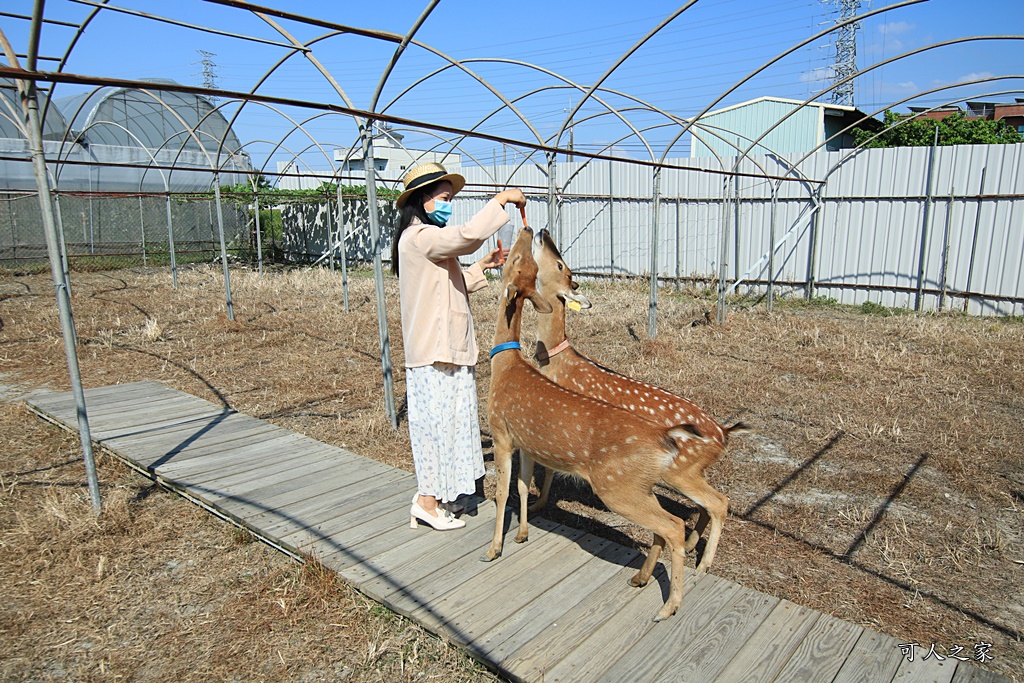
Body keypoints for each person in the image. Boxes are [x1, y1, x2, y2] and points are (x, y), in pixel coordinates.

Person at [392, 162, 526, 531]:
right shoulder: (419, 237)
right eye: (445, 197)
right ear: (423, 199)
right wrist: (500, 200)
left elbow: (446, 288)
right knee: (436, 428)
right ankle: (427, 502)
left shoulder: (423, 241)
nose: (449, 204)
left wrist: (480, 266)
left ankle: (435, 496)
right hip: (435, 351)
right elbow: (466, 235)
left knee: (447, 425)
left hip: (444, 348)